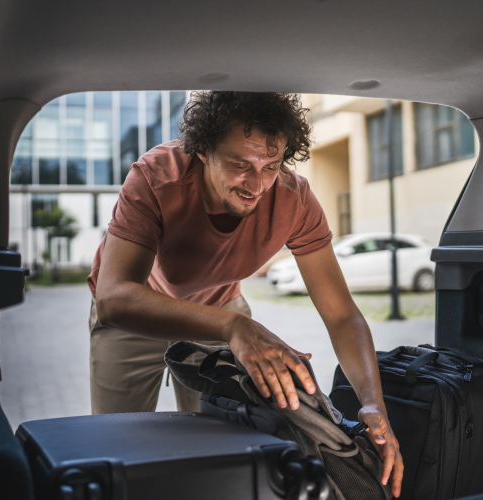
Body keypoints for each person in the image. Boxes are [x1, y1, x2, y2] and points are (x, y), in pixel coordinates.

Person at [87, 91, 403, 496]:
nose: (257, 184)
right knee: (118, 454)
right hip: (138, 312)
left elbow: (341, 313)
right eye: (241, 164)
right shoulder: (155, 176)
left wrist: (372, 402)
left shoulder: (294, 199)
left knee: (223, 452)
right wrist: (235, 327)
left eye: (271, 166)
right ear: (203, 149)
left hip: (220, 308)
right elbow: (114, 298)